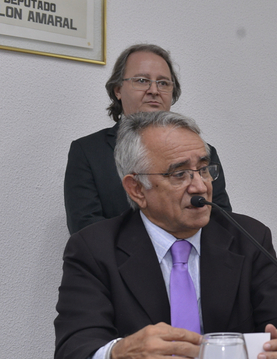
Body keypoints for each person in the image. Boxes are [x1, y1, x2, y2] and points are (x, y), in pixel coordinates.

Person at [54, 111, 277, 359]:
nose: (200, 186)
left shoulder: (247, 238)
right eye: (179, 174)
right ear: (137, 189)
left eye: (204, 169)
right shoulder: (94, 249)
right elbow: (72, 355)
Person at [64, 44, 231, 235]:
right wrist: (160, 248)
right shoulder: (88, 151)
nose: (154, 90)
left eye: (163, 83)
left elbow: (222, 223)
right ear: (118, 90)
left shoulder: (202, 152)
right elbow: (86, 230)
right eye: (142, 81)